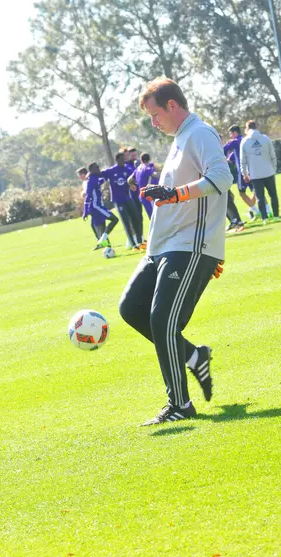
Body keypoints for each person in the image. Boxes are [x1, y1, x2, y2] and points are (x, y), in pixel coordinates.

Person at [119, 77, 233, 426]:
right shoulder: (181, 138)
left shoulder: (199, 133)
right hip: (167, 247)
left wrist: (176, 196)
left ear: (172, 105)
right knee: (131, 308)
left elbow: (222, 177)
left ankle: (180, 405)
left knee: (162, 321)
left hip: (188, 247)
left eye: (155, 115)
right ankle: (194, 356)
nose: (153, 123)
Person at [99, 152, 146, 251]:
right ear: (117, 160)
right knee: (126, 222)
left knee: (137, 217)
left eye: (124, 159)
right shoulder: (111, 170)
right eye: (121, 159)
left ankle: (140, 241)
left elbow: (133, 178)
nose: (123, 161)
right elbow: (100, 174)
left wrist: (133, 185)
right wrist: (91, 174)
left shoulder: (127, 169)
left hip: (128, 198)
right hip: (118, 200)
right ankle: (134, 245)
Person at [240, 120, 280, 223]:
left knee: (260, 197)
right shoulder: (265, 138)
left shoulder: (244, 141)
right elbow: (273, 155)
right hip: (268, 172)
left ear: (247, 128)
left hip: (255, 174)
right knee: (273, 195)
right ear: (257, 127)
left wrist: (244, 173)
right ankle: (276, 216)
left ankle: (265, 218)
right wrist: (274, 168)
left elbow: (242, 160)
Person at [223, 125, 265, 221]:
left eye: (230, 134)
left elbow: (222, 149)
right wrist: (230, 158)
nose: (230, 136)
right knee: (256, 190)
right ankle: (260, 210)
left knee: (242, 193)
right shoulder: (246, 140)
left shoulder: (235, 141)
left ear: (234, 133)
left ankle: (256, 211)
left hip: (242, 171)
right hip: (253, 169)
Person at [82, 163, 119, 250]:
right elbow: (88, 196)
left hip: (98, 207)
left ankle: (107, 248)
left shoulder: (94, 178)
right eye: (97, 168)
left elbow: (101, 180)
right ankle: (103, 240)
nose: (99, 169)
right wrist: (85, 211)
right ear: (92, 170)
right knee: (115, 219)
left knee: (102, 227)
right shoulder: (91, 180)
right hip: (96, 207)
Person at [127, 152, 158, 220]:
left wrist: (132, 185)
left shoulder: (138, 169)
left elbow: (129, 179)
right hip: (149, 196)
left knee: (153, 217)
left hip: (142, 196)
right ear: (149, 159)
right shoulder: (147, 169)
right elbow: (156, 175)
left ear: (141, 160)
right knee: (155, 217)